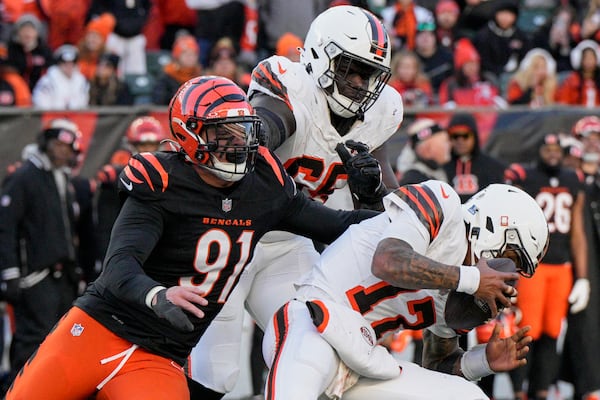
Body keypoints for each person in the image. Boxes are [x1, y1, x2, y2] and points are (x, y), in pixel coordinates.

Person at [4, 75, 380, 400]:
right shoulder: (162, 181)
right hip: (98, 331)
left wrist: (374, 196)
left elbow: (337, 224)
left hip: (160, 355)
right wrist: (158, 295)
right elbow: (119, 267)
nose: (238, 144)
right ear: (189, 134)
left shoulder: (263, 184)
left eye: (243, 131)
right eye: (223, 133)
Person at [189, 5, 403, 399]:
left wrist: (372, 190)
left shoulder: (381, 113)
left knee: (311, 356)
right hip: (234, 237)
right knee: (216, 372)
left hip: (289, 244)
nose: (359, 83)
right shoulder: (291, 87)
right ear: (320, 55)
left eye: (368, 74)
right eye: (349, 69)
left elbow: (382, 214)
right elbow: (263, 130)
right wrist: (256, 138)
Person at [262, 181, 549, 399]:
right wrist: (471, 278)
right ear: (494, 226)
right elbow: (387, 260)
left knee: (468, 396)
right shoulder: (443, 204)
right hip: (315, 323)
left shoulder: (465, 293)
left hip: (363, 360)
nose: (509, 275)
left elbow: (436, 362)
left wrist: (482, 360)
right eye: (512, 259)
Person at [0, 118, 91, 388]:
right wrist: (11, 272)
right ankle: (17, 392)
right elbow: (5, 227)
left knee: (64, 341)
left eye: (68, 147)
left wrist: (76, 267)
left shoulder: (62, 178)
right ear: (46, 143)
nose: (63, 152)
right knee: (32, 343)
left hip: (62, 277)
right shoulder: (24, 177)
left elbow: (67, 229)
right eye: (58, 145)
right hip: (35, 277)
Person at [504, 133, 589, 400]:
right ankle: (519, 391)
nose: (552, 153)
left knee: (553, 331)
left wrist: (583, 277)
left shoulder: (573, 179)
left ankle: (540, 390)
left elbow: (577, 231)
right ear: (538, 151)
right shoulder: (523, 175)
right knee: (526, 329)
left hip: (561, 267)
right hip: (534, 266)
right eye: (547, 148)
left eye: (556, 148)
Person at [443, 113, 506, 203]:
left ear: (474, 137)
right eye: (455, 136)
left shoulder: (493, 167)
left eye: (465, 136)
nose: (460, 141)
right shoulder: (442, 167)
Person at [32, 44, 90, 109]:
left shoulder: (81, 81)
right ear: (59, 63)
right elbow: (41, 104)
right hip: (52, 117)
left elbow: (83, 103)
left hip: (77, 117)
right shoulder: (47, 81)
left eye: (72, 63)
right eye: (65, 63)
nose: (69, 66)